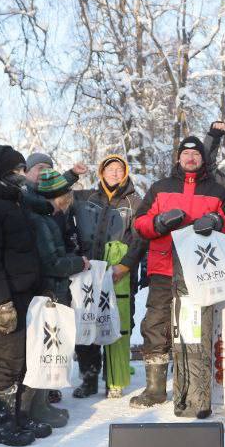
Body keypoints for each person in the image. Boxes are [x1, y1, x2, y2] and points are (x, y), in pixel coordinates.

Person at [130, 135, 225, 417]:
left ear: (203, 159)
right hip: (164, 268)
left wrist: (216, 222)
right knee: (156, 323)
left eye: (196, 154)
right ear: (178, 158)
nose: (190, 158)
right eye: (185, 154)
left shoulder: (217, 192)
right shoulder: (160, 188)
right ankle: (155, 387)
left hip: (199, 272)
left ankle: (192, 389)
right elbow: (139, 225)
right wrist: (158, 223)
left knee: (192, 329)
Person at [0, 144, 54, 447]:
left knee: (25, 360)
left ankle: (19, 415)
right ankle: (3, 424)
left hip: (27, 296)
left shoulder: (16, 203)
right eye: (15, 171)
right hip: (3, 300)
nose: (21, 175)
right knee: (6, 361)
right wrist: (1, 303)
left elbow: (30, 254)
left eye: (21, 169)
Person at [71, 155, 145, 398]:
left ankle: (115, 376)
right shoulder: (88, 198)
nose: (115, 173)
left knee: (119, 323)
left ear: (125, 173)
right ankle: (89, 377)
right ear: (101, 172)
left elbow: (140, 237)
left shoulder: (134, 201)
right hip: (90, 272)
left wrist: (126, 265)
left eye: (119, 169)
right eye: (110, 169)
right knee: (88, 321)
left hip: (121, 273)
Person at [25, 168, 94, 428]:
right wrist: (79, 262)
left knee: (50, 349)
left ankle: (42, 403)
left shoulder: (45, 217)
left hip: (53, 290)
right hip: (47, 292)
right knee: (43, 350)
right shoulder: (43, 222)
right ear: (58, 199)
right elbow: (51, 262)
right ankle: (36, 407)